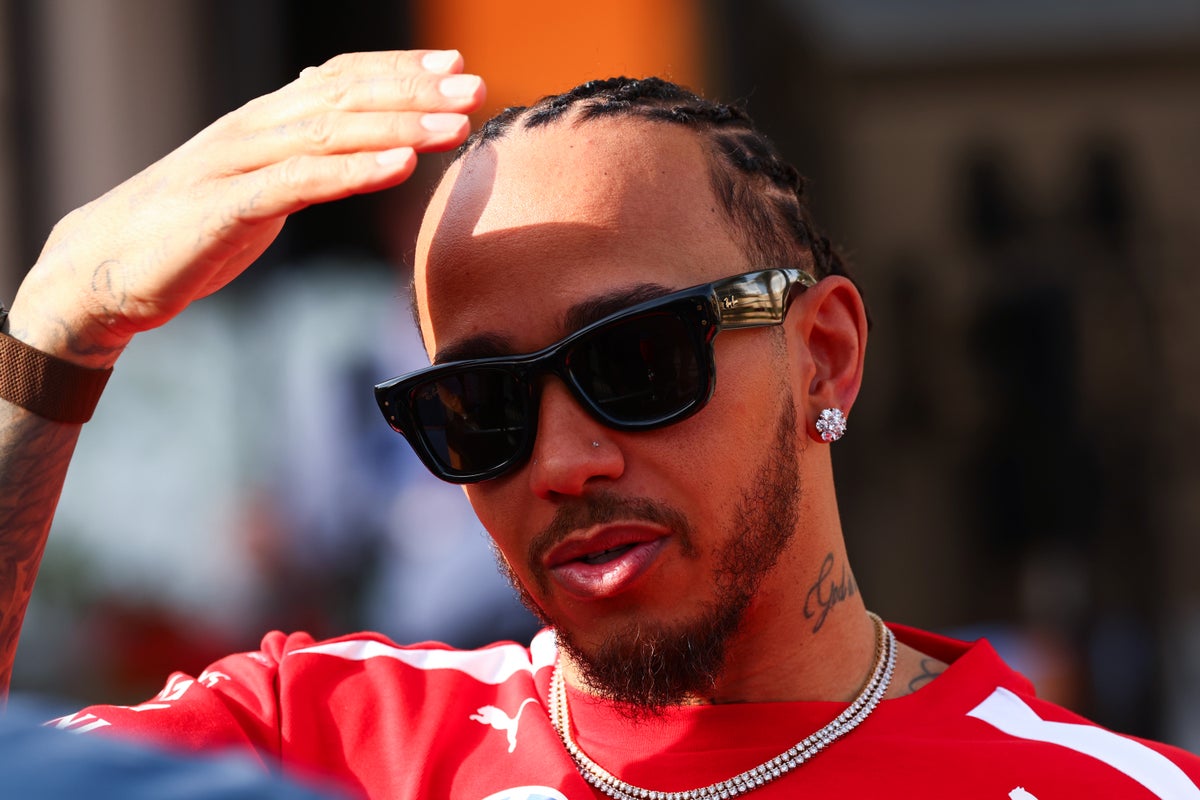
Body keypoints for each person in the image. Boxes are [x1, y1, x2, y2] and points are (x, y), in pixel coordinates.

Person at [0, 49, 1197, 799]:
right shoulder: (316, 738)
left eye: (638, 361)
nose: (563, 462)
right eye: (478, 408)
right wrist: (52, 338)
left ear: (823, 353)